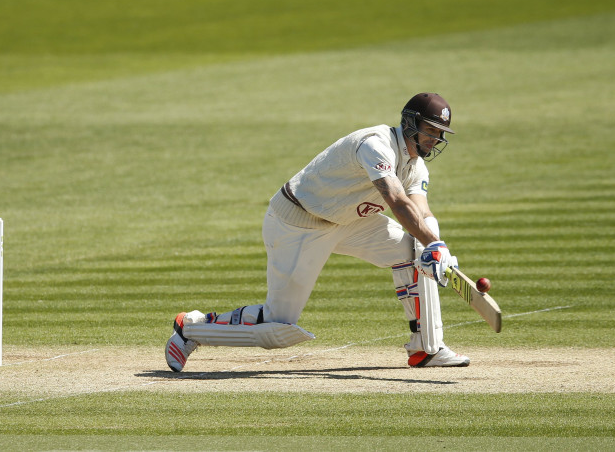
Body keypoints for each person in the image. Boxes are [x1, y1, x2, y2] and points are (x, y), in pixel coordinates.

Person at [165, 92, 470, 372]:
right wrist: (434, 243)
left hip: (348, 222)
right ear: (410, 123)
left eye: (439, 132)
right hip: (299, 223)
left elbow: (422, 211)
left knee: (415, 251)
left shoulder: (416, 167)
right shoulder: (376, 144)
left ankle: (427, 348)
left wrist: (437, 246)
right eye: (430, 129)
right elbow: (397, 201)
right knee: (277, 328)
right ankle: (191, 327)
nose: (435, 138)